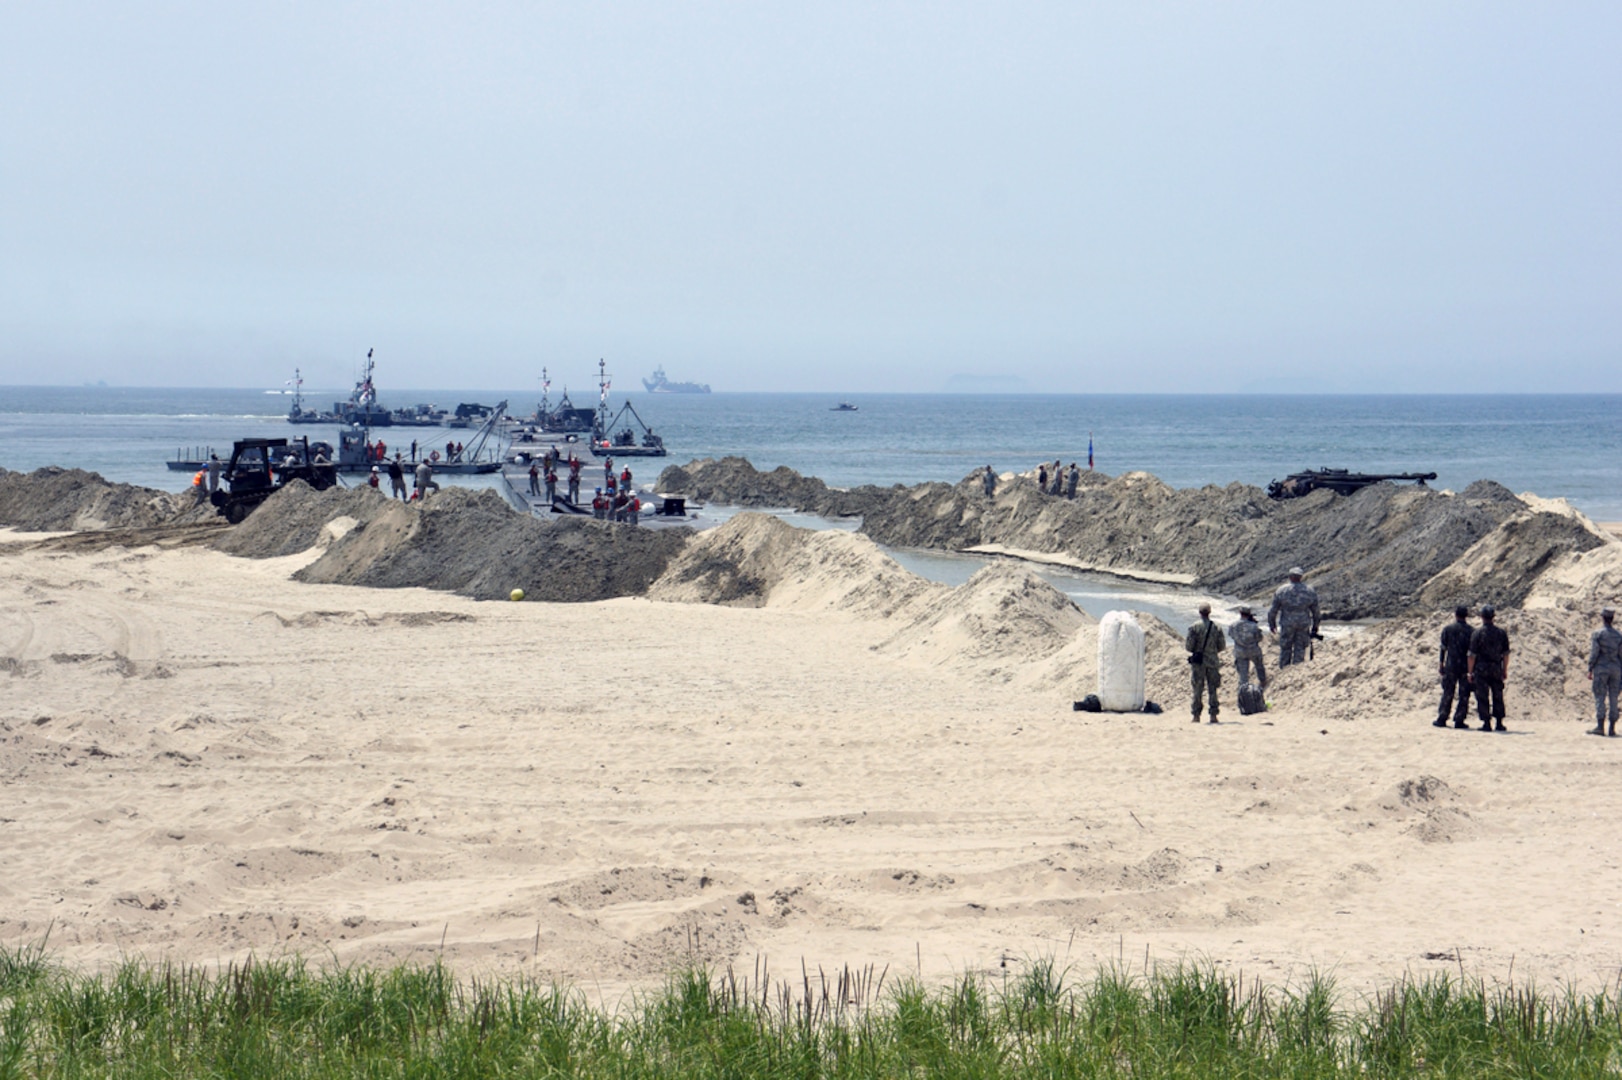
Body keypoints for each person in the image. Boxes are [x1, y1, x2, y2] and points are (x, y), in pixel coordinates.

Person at [1468, 604, 1511, 732]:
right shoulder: (1501, 633)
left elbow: (1471, 655)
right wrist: (1504, 670)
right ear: (1493, 617)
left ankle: (1486, 722)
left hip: (1481, 668)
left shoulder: (1477, 633)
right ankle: (1499, 722)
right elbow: (1506, 654)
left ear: (1482, 617)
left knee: (1482, 695)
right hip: (1496, 667)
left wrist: (1470, 672)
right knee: (1498, 694)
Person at [1268, 567, 1320, 668]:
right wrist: (1315, 626)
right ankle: (1297, 669)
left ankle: (1284, 669)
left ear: (1290, 577)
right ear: (1301, 577)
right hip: (1303, 623)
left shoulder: (1281, 590)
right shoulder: (1309, 590)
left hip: (1287, 624)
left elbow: (1273, 610)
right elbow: (1316, 611)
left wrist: (1272, 624)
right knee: (1300, 648)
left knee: (1285, 648)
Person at [1185, 602, 1227, 724]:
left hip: (1198, 663)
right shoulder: (1216, 627)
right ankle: (1213, 715)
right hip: (1212, 662)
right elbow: (1222, 646)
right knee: (1213, 689)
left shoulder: (1194, 627)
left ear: (1199, 613)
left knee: (1197, 689)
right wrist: (1212, 652)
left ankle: (1196, 715)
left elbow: (1189, 646)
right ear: (1209, 612)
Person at [1434, 606, 1473, 730]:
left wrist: (1441, 664)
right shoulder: (1471, 631)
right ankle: (1459, 719)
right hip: (1465, 666)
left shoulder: (1448, 629)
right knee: (1464, 694)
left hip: (1451, 665)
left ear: (1455, 615)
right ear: (1466, 615)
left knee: (1448, 692)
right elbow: (1472, 652)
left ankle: (1442, 717)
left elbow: (1443, 648)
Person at [1588, 607, 1622, 737]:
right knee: (1614, 697)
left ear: (1603, 618)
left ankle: (1600, 726)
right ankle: (1612, 728)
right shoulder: (1619, 636)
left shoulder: (1598, 634)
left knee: (1600, 696)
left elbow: (1594, 652)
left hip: (1601, 668)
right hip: (1616, 669)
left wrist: (1590, 668)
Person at [1230, 606, 1267, 689]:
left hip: (1240, 651)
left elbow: (1232, 635)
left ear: (1240, 613)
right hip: (1253, 650)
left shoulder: (1233, 625)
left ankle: (1243, 690)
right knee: (1259, 665)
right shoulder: (1253, 626)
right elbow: (1259, 638)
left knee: (1243, 674)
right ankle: (1263, 682)